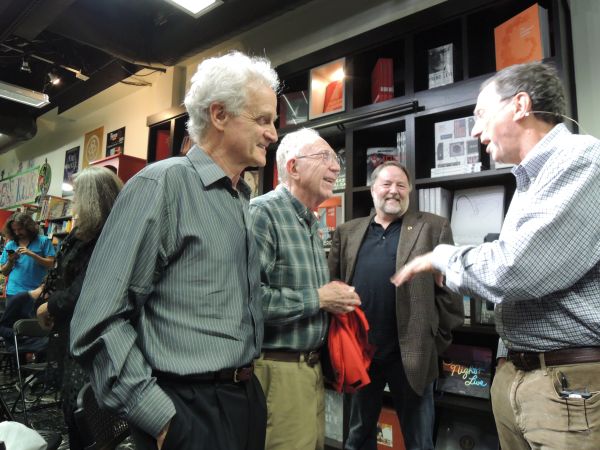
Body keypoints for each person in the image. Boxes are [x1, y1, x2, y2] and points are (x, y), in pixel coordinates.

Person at [70, 51, 279, 450]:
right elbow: (97, 322)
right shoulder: (161, 186)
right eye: (263, 119)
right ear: (219, 115)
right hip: (186, 408)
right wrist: (161, 420)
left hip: (242, 399)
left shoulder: (240, 199)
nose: (272, 133)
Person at [391, 62, 600, 450]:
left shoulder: (580, 159)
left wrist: (442, 257)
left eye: (481, 114)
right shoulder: (530, 180)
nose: (473, 130)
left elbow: (517, 269)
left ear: (520, 105)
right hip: (525, 377)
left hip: (568, 384)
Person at [328, 161, 463, 450]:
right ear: (373, 189)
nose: (394, 191)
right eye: (387, 184)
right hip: (362, 353)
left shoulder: (433, 227)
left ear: (410, 191)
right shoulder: (347, 232)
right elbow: (333, 286)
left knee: (419, 441)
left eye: (401, 185)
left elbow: (450, 293)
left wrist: (435, 340)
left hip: (411, 355)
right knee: (357, 437)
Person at [248, 127, 361, 450]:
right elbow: (249, 299)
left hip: (311, 371)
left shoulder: (311, 222)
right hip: (278, 371)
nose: (336, 166)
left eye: (336, 158)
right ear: (293, 167)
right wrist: (319, 298)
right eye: (324, 157)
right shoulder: (263, 213)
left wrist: (335, 298)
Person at [31, 166, 123, 450]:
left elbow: (85, 289)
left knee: (87, 414)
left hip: (92, 339)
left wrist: (49, 307)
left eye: (78, 196)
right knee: (75, 413)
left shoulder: (109, 238)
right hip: (70, 333)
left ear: (94, 200)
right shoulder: (80, 235)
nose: (73, 203)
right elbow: (60, 276)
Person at [0, 213, 55, 297]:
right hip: (13, 292)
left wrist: (32, 254)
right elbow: (4, 272)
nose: (17, 233)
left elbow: (52, 263)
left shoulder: (43, 241)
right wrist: (11, 261)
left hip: (36, 292)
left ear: (29, 227)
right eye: (14, 230)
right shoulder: (10, 245)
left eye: (20, 229)